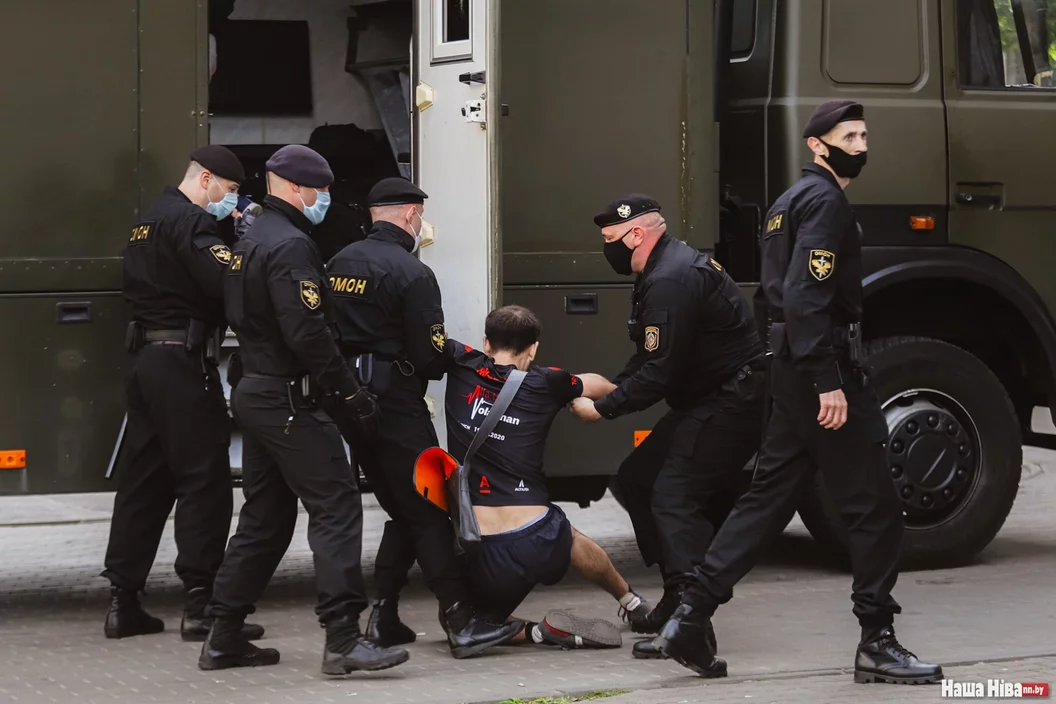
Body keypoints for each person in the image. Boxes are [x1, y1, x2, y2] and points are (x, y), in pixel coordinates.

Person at [651, 101, 944, 685]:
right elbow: (807, 297)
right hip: (821, 367)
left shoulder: (787, 203)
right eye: (848, 137)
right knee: (876, 508)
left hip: (791, 366)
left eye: (864, 136)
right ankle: (877, 640)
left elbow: (776, 297)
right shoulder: (825, 202)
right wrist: (827, 381)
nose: (860, 146)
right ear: (816, 144)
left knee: (766, 500)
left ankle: (690, 615)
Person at [197, 145, 410, 676]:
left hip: (257, 391)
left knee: (266, 517)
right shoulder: (291, 245)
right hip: (289, 398)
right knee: (336, 506)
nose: (326, 198)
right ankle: (343, 639)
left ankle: (223, 635)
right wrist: (350, 393)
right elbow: (308, 333)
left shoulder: (250, 238)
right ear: (296, 188)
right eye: (322, 190)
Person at [325, 176, 522, 659]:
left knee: (403, 508)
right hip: (396, 404)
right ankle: (461, 620)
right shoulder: (412, 273)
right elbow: (429, 356)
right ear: (412, 215)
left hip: (351, 399)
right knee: (431, 506)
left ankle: (384, 616)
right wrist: (464, 357)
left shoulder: (338, 262)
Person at [569, 195, 767, 657]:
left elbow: (660, 373)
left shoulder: (671, 278)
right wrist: (615, 386)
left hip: (730, 402)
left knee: (674, 496)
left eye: (610, 239)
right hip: (707, 398)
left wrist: (604, 408)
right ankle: (679, 595)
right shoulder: (661, 270)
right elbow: (651, 355)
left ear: (637, 234)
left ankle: (691, 620)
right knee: (638, 479)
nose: (607, 248)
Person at [102, 145, 265, 644]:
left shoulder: (147, 221)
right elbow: (226, 283)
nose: (231, 201)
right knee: (204, 480)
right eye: (230, 190)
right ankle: (201, 605)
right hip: (181, 362)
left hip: (145, 362)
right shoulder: (191, 222)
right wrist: (246, 246)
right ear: (206, 179)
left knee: (145, 481)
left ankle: (123, 601)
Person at [434, 305, 653, 648]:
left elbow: (429, 339)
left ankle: (539, 632)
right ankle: (632, 602)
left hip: (481, 547)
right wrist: (612, 394)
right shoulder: (548, 381)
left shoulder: (461, 361)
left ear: (486, 343)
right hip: (537, 536)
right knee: (569, 537)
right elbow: (593, 384)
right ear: (533, 348)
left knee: (467, 621)